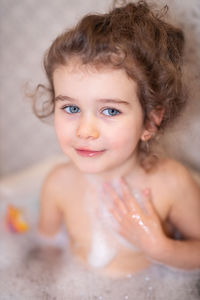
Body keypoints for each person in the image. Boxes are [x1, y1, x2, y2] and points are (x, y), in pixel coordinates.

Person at [34, 0, 200, 277]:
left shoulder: (171, 183)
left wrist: (160, 248)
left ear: (149, 121)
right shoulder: (57, 184)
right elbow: (45, 254)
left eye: (110, 110)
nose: (85, 131)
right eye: (71, 108)